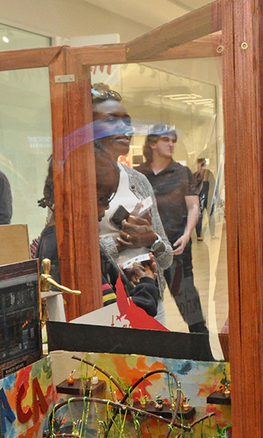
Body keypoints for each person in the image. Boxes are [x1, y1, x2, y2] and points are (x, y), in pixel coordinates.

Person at [36, 145, 159, 317]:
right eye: (102, 198)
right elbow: (119, 319)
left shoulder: (65, 238)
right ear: (75, 195)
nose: (107, 206)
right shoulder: (71, 247)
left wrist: (120, 280)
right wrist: (147, 285)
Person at [91, 84, 173, 323]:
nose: (124, 128)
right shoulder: (77, 185)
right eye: (111, 120)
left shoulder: (139, 180)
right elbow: (71, 257)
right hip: (108, 305)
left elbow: (166, 257)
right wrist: (122, 241)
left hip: (150, 299)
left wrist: (150, 240)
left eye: (126, 121)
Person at [136, 124, 208, 333]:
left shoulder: (182, 172)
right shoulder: (139, 174)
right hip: (146, 253)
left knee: (189, 302)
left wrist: (187, 235)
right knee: (148, 305)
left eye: (174, 141)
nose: (171, 144)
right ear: (153, 143)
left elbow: (193, 206)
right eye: (166, 140)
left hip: (177, 248)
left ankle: (202, 351)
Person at [193, 158, 214, 241]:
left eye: (201, 164)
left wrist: (216, 197)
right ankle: (199, 235)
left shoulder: (209, 173)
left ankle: (212, 234)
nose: (199, 166)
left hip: (208, 198)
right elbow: (193, 187)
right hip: (199, 199)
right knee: (199, 216)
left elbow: (213, 185)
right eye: (198, 164)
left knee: (211, 216)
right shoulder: (195, 175)